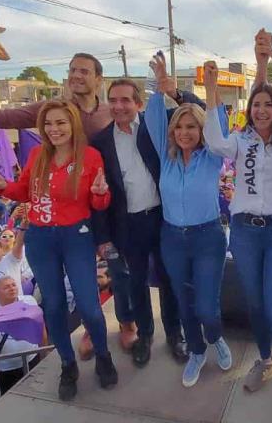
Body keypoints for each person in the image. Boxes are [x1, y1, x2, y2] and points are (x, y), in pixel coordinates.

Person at [202, 34, 272, 420]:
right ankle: (265, 360)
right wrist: (213, 90)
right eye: (256, 105)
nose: (262, 110)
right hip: (245, 231)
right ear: (249, 111)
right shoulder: (240, 139)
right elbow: (212, 141)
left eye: (268, 104)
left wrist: (271, 57)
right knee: (256, 304)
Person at [0, 99, 117, 401]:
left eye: (60, 122)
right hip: (41, 239)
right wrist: (1, 185)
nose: (54, 129)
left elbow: (99, 204)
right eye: (48, 123)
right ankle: (68, 365)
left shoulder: (91, 157)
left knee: (88, 305)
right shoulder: (35, 155)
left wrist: (100, 193)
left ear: (72, 124)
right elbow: (23, 192)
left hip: (77, 236)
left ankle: (103, 355)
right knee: (54, 304)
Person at [90, 76, 199, 366]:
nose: (119, 106)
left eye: (125, 100)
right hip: (127, 225)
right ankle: (146, 335)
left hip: (163, 219)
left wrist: (174, 91)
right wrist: (102, 237)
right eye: (113, 100)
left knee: (169, 279)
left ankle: (175, 334)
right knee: (135, 282)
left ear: (138, 103)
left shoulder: (156, 126)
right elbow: (97, 193)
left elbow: (196, 109)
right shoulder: (99, 142)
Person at [145, 54, 233, 389]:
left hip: (207, 238)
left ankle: (215, 338)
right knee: (183, 302)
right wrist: (160, 85)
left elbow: (219, 127)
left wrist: (210, 89)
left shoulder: (211, 158)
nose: (184, 132)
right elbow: (154, 119)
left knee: (207, 308)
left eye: (191, 126)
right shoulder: (166, 159)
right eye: (178, 127)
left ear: (200, 130)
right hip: (172, 239)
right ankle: (197, 351)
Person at [0, 53, 112, 140]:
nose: (76, 75)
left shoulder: (111, 113)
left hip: (107, 199)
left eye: (84, 71)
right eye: (72, 70)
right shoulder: (51, 109)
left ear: (98, 79)